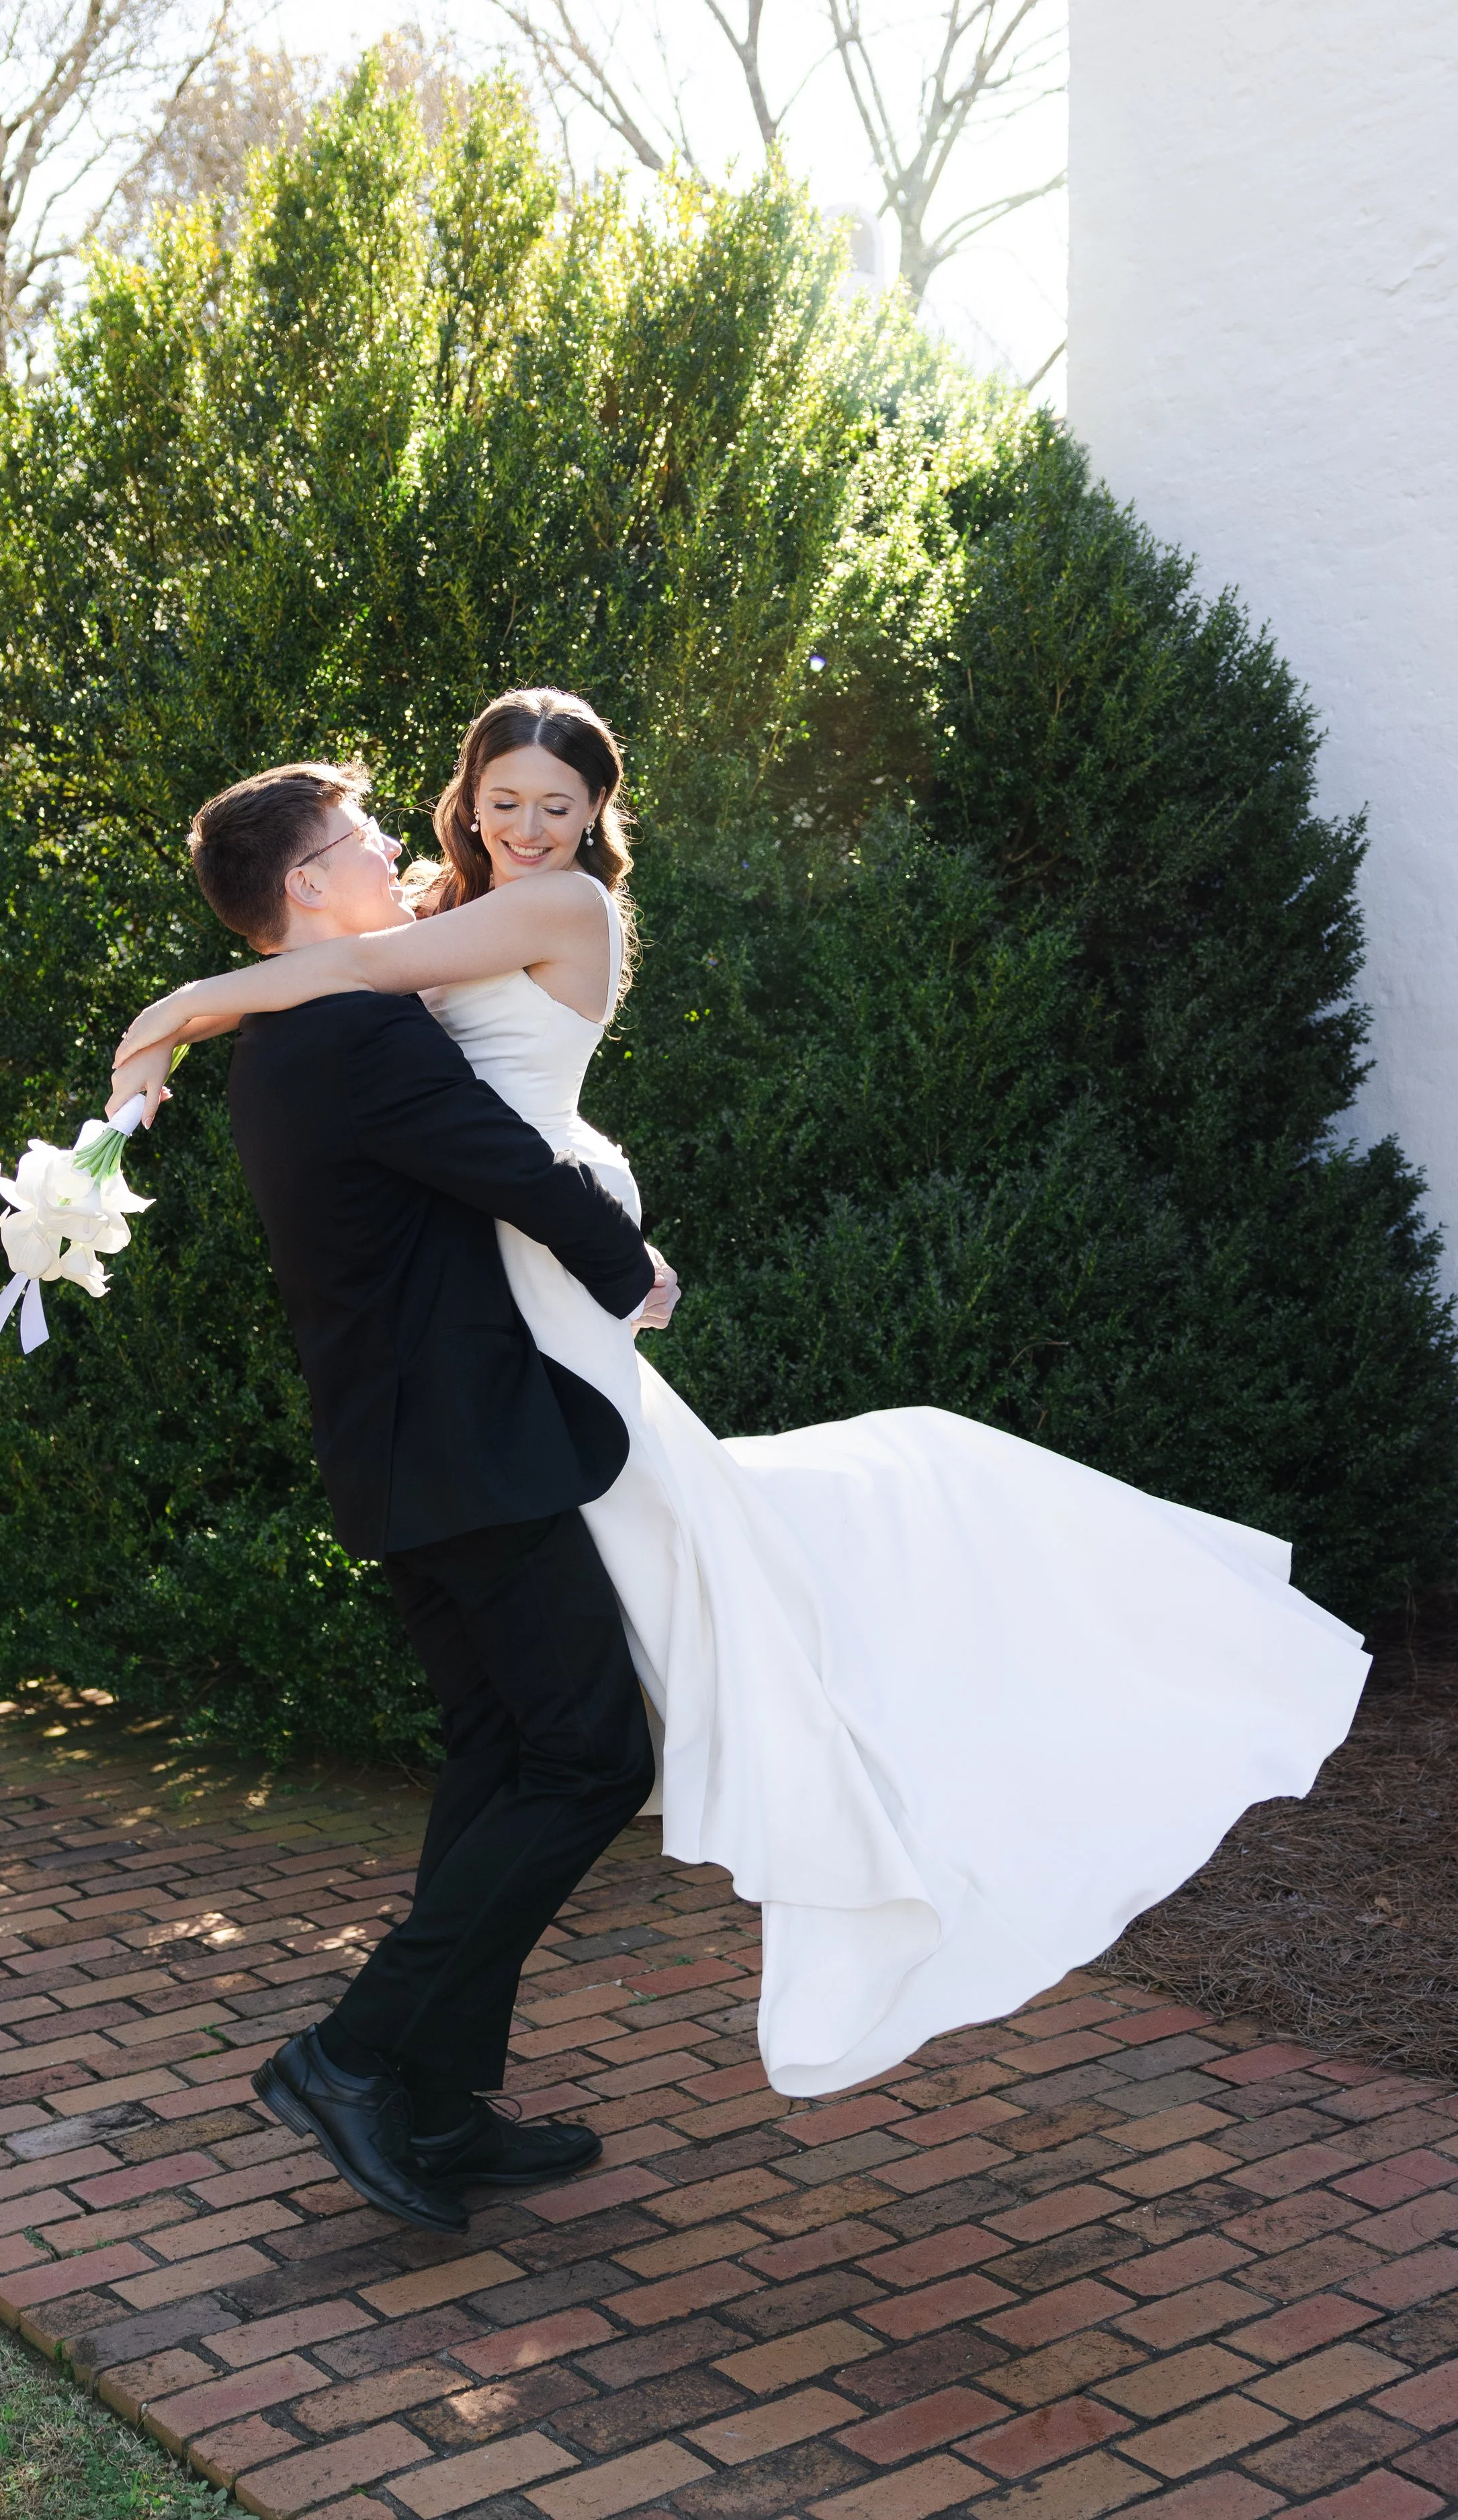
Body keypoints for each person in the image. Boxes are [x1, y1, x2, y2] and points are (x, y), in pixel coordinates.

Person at [112, 688, 1371, 2113]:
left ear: (596, 823)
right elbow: (404, 1064)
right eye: (495, 802)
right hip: (493, 1361)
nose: (514, 828)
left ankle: (416, 2082)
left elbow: (343, 990)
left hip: (494, 1362)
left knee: (562, 1716)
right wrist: (605, 1245)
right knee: (568, 1739)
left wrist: (178, 1007)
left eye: (558, 807)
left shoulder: (521, 926)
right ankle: (390, 2074)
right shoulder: (376, 985)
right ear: (450, 810)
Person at [140, 756, 675, 2236]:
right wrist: (632, 1270)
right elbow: (502, 1161)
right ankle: (355, 2057)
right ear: (308, 884)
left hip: (404, 1450)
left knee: (501, 1754)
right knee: (582, 1761)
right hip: (463, 1447)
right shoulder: (355, 1038)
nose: (392, 850)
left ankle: (437, 2104)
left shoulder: (290, 1040)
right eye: (362, 838)